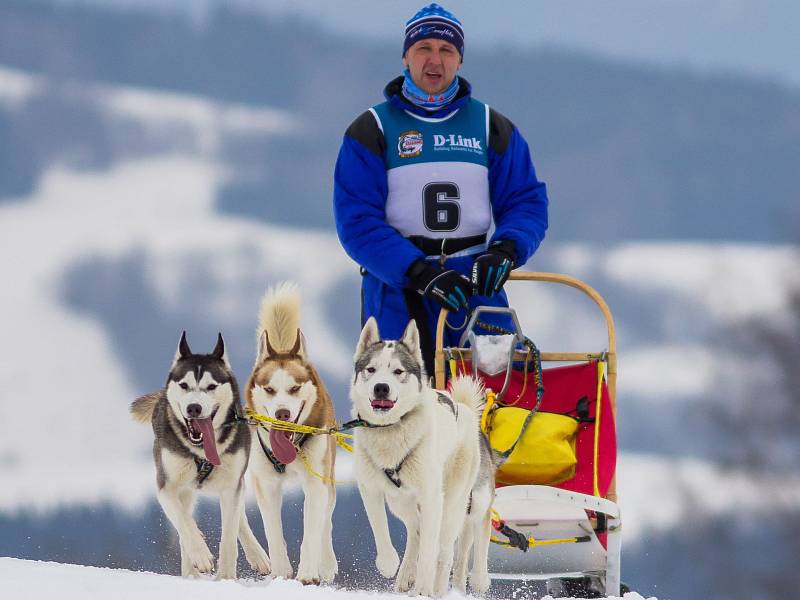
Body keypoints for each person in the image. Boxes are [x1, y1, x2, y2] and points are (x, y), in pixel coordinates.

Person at [334, 3, 548, 376]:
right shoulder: (372, 130)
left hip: (475, 285)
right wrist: (416, 271)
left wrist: (506, 250)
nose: (435, 61)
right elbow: (357, 223)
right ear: (406, 56)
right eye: (424, 49)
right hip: (399, 288)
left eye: (446, 50)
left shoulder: (490, 126)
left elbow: (526, 201)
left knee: (492, 406)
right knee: (396, 411)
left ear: (459, 60)